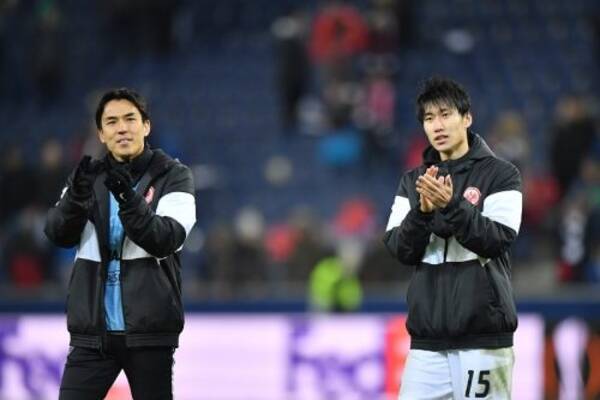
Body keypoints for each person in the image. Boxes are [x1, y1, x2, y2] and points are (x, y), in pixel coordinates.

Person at [44, 88, 196, 399]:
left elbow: (164, 239)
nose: (122, 128)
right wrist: (75, 200)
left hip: (149, 333)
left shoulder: (174, 176)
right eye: (111, 122)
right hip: (93, 334)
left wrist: (128, 198)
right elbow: (57, 234)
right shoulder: (87, 178)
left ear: (146, 126)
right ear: (101, 133)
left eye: (130, 119)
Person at [383, 77, 522, 399]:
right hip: (427, 342)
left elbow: (497, 239)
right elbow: (399, 249)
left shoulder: (502, 174)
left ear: (467, 117)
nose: (437, 125)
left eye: (445, 114)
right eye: (429, 118)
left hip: (483, 339)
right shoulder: (413, 182)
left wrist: (451, 205)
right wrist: (422, 213)